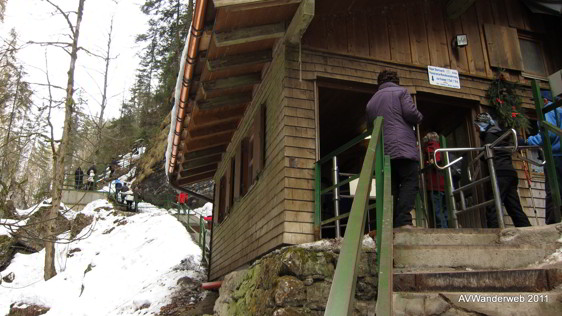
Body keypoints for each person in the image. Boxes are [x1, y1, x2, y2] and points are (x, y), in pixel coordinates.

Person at [366, 70, 423, 228]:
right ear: (396, 80)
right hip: (403, 147)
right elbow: (411, 113)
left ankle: (389, 222)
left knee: (391, 186)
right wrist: (420, 117)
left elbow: (370, 126)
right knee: (409, 181)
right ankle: (404, 220)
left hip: (384, 150)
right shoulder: (401, 92)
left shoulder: (371, 101)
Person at [474, 113, 531, 228]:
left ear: (482, 124)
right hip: (510, 171)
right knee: (513, 206)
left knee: (493, 204)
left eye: (477, 126)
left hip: (499, 172)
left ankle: (493, 233)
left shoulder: (489, 136)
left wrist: (479, 154)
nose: (476, 129)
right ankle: (526, 228)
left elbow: (486, 155)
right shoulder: (501, 134)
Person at [526, 96, 562, 225]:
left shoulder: (548, 110)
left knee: (554, 190)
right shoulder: (560, 110)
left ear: (545, 100)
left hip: (556, 156)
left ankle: (553, 223)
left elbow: (548, 134)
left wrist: (528, 141)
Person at [422, 132, 448, 228]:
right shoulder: (442, 148)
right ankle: (448, 228)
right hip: (444, 184)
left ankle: (443, 231)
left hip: (434, 184)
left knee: (438, 211)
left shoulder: (430, 148)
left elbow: (435, 162)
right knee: (445, 209)